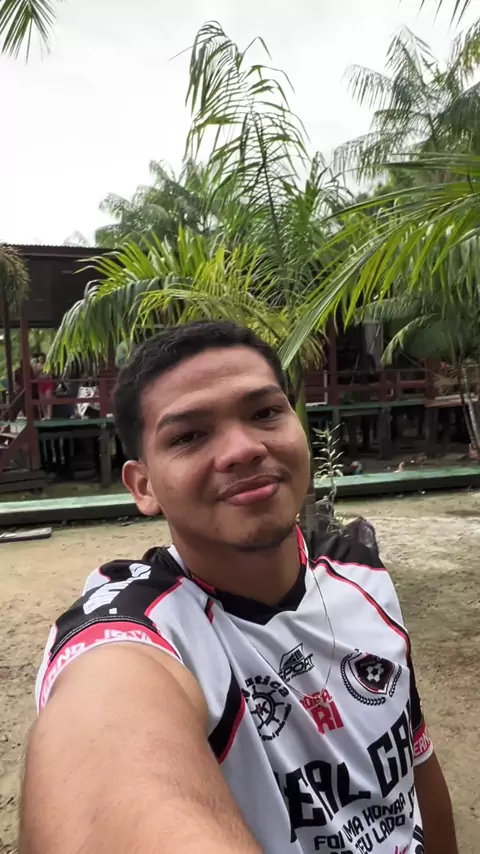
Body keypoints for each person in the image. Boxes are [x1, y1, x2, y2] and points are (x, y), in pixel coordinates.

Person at [21, 321, 457, 854]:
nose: (244, 449)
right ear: (144, 485)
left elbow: (415, 763)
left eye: (265, 413)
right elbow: (101, 761)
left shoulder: (361, 575)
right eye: (188, 436)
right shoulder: (139, 631)